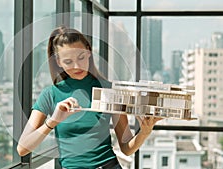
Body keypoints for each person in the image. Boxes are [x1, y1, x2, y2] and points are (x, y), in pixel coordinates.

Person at [17, 26, 161, 169]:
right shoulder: (50, 94)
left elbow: (126, 148)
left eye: (81, 57)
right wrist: (53, 122)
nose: (77, 66)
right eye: (68, 62)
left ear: (89, 52)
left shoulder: (109, 90)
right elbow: (22, 149)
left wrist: (145, 132)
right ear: (58, 62)